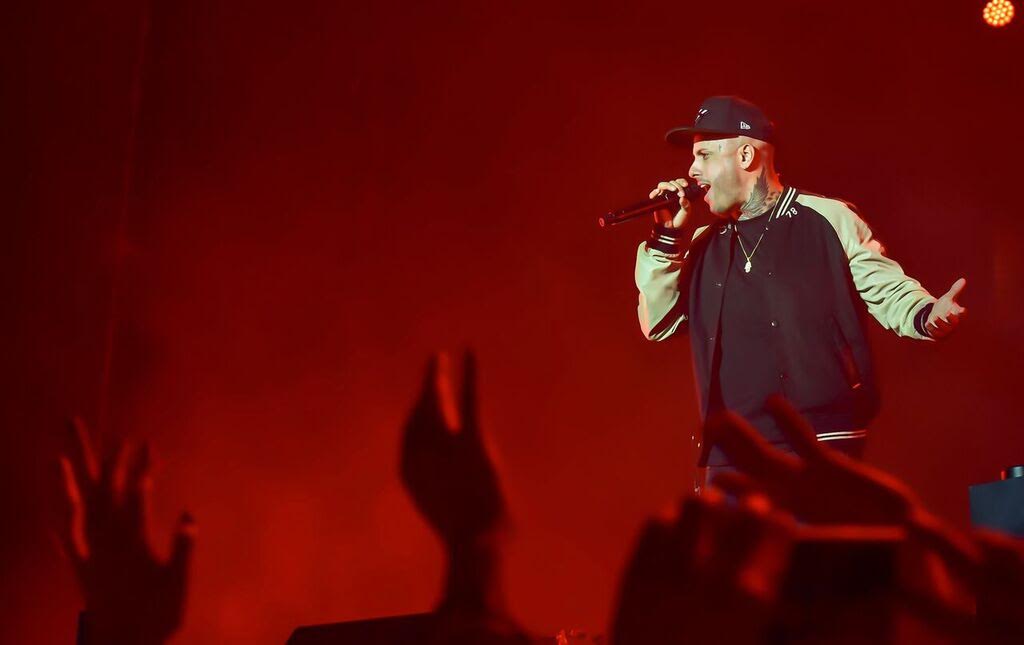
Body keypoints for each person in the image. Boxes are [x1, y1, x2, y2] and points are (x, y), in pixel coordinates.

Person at [634, 96, 966, 488]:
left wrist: (927, 314)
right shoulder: (704, 244)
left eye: (704, 155)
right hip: (734, 453)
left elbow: (886, 288)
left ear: (745, 155)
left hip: (820, 441)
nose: (692, 170)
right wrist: (666, 239)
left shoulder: (827, 218)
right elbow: (659, 323)